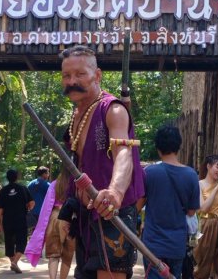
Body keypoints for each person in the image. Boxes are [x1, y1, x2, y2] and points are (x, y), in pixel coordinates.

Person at [60, 45, 145, 279]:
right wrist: (69, 207)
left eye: (80, 74)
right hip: (86, 216)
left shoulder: (113, 110)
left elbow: (124, 153)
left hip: (112, 214)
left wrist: (116, 192)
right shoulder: (77, 115)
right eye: (66, 76)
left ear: (97, 75)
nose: (72, 81)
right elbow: (77, 168)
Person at [141, 124, 200, 279]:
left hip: (152, 246)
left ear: (158, 147)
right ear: (178, 146)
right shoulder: (191, 175)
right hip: (176, 246)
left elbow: (138, 205)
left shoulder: (149, 173)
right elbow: (191, 211)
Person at [25, 169, 76, 279]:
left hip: (54, 217)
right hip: (70, 217)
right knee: (67, 255)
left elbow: (47, 204)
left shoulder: (54, 184)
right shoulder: (75, 183)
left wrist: (42, 226)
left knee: (54, 255)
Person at [193, 155, 218, 279]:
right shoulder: (199, 184)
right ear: (208, 166)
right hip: (206, 226)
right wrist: (216, 188)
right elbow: (203, 208)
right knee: (203, 263)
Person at [0, 169, 35, 274]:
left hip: (7, 220)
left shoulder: (3, 190)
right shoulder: (23, 188)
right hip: (20, 219)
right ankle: (15, 262)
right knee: (22, 241)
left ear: (7, 178)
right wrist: (28, 207)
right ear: (16, 177)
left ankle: (13, 262)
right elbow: (31, 203)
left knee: (9, 242)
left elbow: (0, 208)